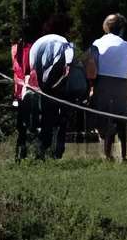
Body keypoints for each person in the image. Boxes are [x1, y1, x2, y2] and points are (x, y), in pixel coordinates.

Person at [90, 13, 127, 160]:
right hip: (121, 86)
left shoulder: (96, 44)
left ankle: (106, 154)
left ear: (106, 27)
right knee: (121, 120)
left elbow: (92, 67)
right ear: (121, 29)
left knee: (104, 120)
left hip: (102, 85)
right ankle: (123, 154)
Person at [29, 24, 78, 159]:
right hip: (63, 85)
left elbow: (32, 66)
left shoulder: (38, 44)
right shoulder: (66, 44)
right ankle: (58, 150)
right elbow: (71, 64)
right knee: (63, 118)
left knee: (46, 117)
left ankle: (43, 149)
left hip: (45, 87)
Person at [10, 27, 38, 161]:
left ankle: (27, 150)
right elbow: (17, 70)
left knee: (29, 121)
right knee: (22, 123)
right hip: (21, 89)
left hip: (28, 87)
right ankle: (22, 151)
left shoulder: (28, 48)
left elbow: (26, 69)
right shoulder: (16, 49)